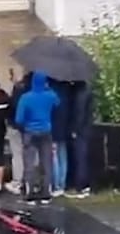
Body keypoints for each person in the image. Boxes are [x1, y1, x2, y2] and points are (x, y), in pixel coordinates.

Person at [15, 70, 59, 204]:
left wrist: (27, 124)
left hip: (30, 132)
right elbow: (58, 103)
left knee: (29, 163)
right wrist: (48, 88)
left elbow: (19, 119)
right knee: (46, 162)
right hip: (46, 131)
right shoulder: (50, 96)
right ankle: (46, 193)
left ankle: (30, 194)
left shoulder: (25, 98)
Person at [67, 81, 94, 198]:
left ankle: (80, 185)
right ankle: (84, 185)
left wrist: (74, 129)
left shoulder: (79, 95)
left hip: (80, 131)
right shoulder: (87, 92)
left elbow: (79, 113)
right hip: (86, 129)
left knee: (79, 158)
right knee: (82, 157)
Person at [5, 71, 29, 194]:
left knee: (17, 155)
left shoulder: (18, 90)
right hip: (32, 127)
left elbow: (13, 106)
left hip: (16, 127)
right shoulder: (35, 90)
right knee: (32, 155)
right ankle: (31, 182)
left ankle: (17, 182)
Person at [49, 79, 71, 197]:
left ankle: (56, 185)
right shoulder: (67, 92)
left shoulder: (51, 94)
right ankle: (63, 184)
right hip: (65, 128)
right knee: (63, 156)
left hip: (54, 129)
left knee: (54, 157)